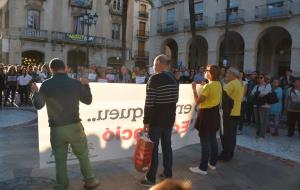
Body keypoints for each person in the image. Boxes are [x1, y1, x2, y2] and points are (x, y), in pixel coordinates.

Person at [31, 58, 100, 190]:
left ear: (51, 70)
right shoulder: (75, 83)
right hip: (75, 126)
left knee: (60, 159)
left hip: (57, 129)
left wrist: (35, 93)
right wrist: (86, 85)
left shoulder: (46, 84)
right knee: (83, 155)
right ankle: (90, 180)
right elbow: (88, 100)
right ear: (66, 68)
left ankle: (62, 185)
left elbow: (38, 105)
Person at [141, 54, 179, 187]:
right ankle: (168, 172)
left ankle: (150, 178)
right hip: (169, 120)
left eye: (155, 63)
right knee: (167, 146)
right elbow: (175, 100)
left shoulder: (154, 79)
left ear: (160, 64)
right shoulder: (174, 79)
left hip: (156, 120)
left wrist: (146, 121)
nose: (154, 66)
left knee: (153, 149)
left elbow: (149, 103)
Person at [189, 65, 222, 175]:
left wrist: (194, 89)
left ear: (211, 73)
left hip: (206, 114)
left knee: (205, 142)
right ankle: (212, 163)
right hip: (214, 114)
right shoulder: (218, 84)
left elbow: (198, 101)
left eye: (206, 70)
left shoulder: (209, 86)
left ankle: (202, 168)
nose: (204, 72)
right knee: (213, 140)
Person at [218, 67, 244, 161]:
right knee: (232, 135)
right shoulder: (239, 83)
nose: (226, 75)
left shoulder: (232, 84)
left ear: (232, 74)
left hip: (228, 112)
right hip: (236, 112)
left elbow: (220, 94)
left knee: (225, 134)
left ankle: (225, 154)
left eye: (227, 74)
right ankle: (230, 153)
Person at [251, 74, 272, 138]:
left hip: (264, 106)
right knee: (257, 120)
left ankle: (262, 135)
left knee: (263, 121)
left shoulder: (268, 85)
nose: (259, 79)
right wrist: (259, 94)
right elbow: (252, 93)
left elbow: (264, 93)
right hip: (256, 105)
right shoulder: (256, 86)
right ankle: (258, 133)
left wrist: (257, 93)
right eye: (258, 77)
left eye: (261, 77)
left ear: (264, 78)